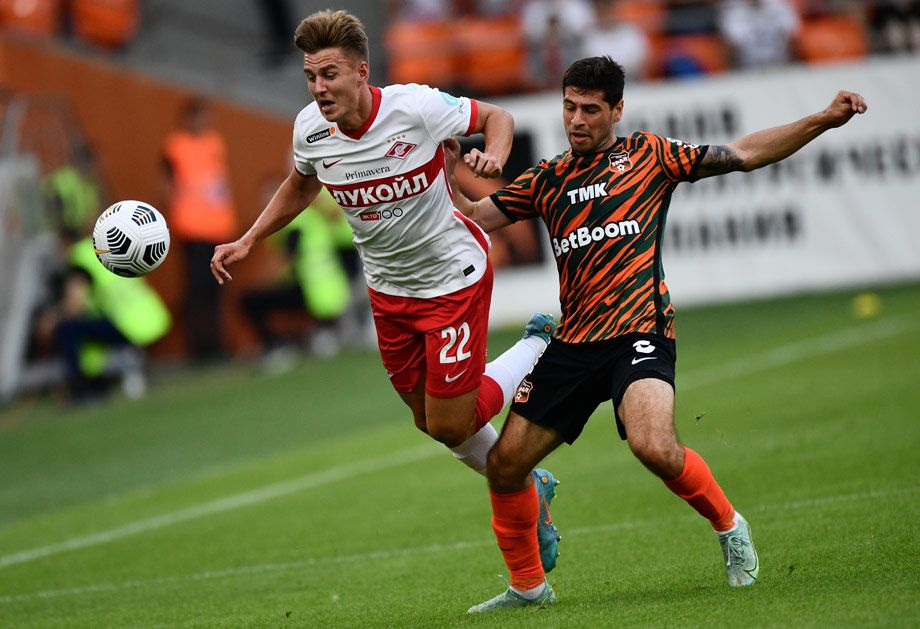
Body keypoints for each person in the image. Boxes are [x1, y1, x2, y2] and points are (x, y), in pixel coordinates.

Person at [447, 56, 867, 612]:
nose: (577, 120)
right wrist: (445, 168)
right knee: (504, 467)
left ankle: (730, 527)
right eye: (569, 107)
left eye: (590, 109)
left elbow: (743, 154)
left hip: (639, 329)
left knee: (653, 446)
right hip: (573, 342)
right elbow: (475, 215)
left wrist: (822, 119)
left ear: (617, 109)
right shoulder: (548, 178)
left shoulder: (649, 156)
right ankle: (529, 587)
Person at [209, 9, 562, 570]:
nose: (319, 88)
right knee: (428, 420)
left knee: (451, 422)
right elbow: (300, 184)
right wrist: (250, 238)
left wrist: (494, 155)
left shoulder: (414, 107)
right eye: (310, 76)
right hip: (389, 291)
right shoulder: (310, 129)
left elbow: (497, 116)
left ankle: (537, 349)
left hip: (452, 277)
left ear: (360, 72)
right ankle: (527, 478)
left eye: (329, 74)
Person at [162, 97, 237, 363]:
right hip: (191, 229)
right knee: (197, 289)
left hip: (217, 229)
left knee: (216, 287)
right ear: (188, 118)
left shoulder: (215, 142)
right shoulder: (175, 146)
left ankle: (216, 344)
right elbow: (166, 184)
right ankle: (199, 347)